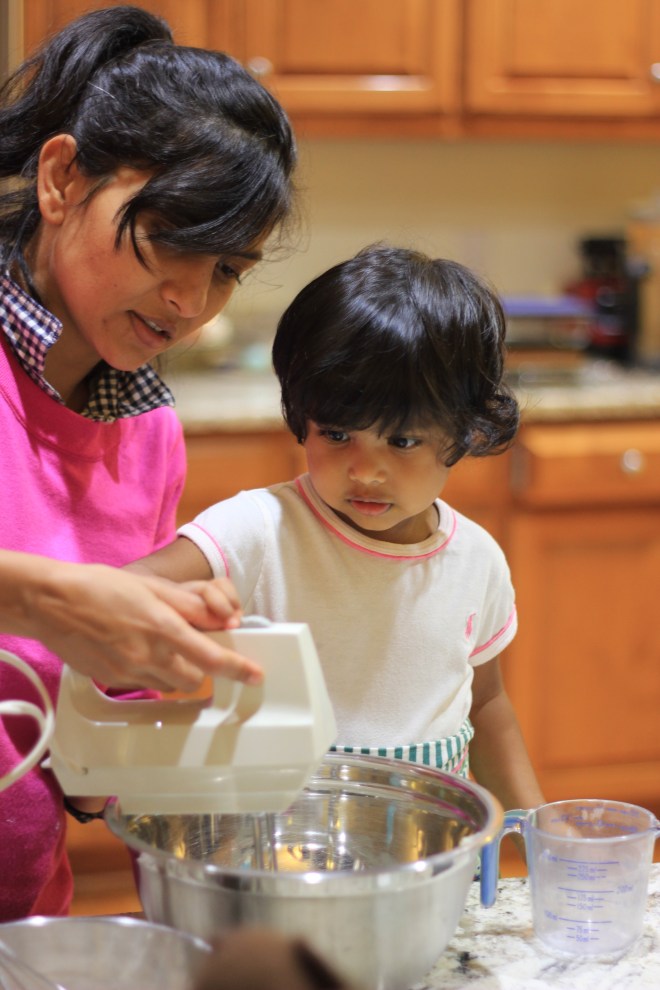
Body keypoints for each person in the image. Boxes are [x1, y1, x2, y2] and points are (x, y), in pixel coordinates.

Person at [0, 4, 296, 919]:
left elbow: (85, 733)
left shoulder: (148, 429)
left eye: (228, 270)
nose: (191, 299)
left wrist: (138, 688)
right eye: (171, 236)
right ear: (61, 178)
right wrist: (43, 596)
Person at [130, 244, 545, 816]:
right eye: (337, 434)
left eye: (402, 441)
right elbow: (115, 596)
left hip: (432, 861)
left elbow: (488, 703)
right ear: (302, 418)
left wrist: (540, 829)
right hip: (276, 864)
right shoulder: (257, 530)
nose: (365, 470)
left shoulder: (477, 561)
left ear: (464, 433)